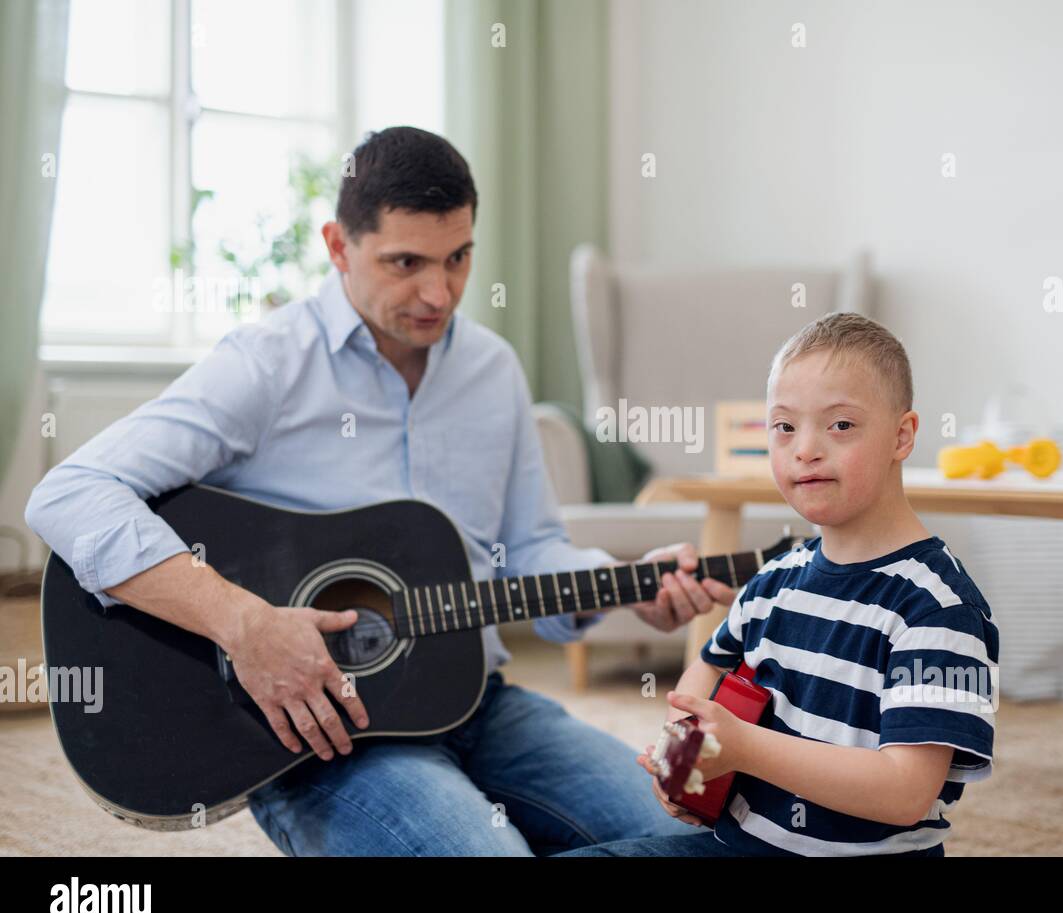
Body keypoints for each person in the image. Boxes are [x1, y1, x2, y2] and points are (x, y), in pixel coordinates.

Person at [25, 126, 733, 856]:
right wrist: (244, 623)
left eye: (459, 258)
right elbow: (71, 492)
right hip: (321, 739)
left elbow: (531, 550)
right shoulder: (266, 366)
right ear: (338, 247)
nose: (439, 292)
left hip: (479, 705)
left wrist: (625, 586)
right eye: (406, 263)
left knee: (699, 832)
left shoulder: (493, 371)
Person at [558, 312, 999, 856]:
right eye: (784, 426)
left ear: (902, 436)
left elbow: (905, 791)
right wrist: (680, 757)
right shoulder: (775, 578)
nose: (805, 449)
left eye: (840, 425)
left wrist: (745, 748)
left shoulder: (936, 608)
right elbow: (709, 666)